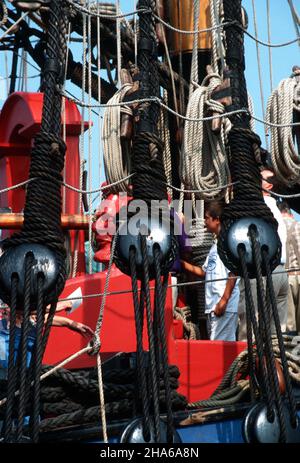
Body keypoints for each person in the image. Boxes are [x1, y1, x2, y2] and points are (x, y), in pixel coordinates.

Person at [238, 168, 289, 340]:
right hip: (281, 273)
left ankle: (249, 367)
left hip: (264, 273)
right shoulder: (276, 209)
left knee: (249, 333)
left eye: (259, 178)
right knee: (275, 337)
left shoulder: (260, 206)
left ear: (269, 185)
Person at [181, 201, 240, 341]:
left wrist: (223, 301)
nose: (205, 221)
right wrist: (181, 264)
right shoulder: (216, 246)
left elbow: (233, 273)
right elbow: (204, 272)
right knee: (215, 345)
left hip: (223, 307)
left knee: (220, 349)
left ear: (217, 220)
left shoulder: (228, 243)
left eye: (207, 218)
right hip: (213, 307)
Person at [0, 300, 94, 379]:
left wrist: (70, 323)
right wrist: (63, 305)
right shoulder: (9, 319)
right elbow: (19, 311)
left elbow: (44, 318)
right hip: (7, 375)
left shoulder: (31, 320)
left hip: (26, 375)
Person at [278, 200, 300, 334]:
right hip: (297, 277)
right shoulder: (296, 225)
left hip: (283, 277)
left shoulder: (278, 227)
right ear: (289, 212)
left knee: (288, 323)